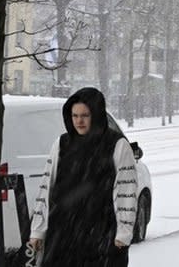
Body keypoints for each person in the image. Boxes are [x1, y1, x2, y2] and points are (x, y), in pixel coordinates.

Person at [28, 87, 138, 267]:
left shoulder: (117, 145)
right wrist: (37, 231)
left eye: (85, 115)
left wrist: (124, 232)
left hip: (102, 234)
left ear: (95, 114)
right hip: (62, 234)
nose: (79, 121)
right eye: (75, 116)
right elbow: (46, 187)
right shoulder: (62, 144)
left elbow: (126, 190)